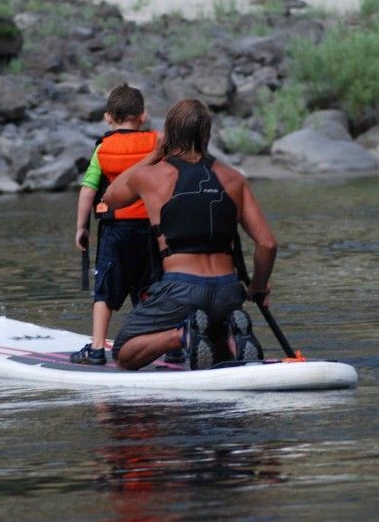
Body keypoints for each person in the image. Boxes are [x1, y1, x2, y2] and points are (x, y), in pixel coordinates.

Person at [101, 98, 278, 371]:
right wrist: (258, 286)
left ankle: (182, 335)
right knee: (218, 354)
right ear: (206, 133)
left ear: (168, 134)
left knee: (124, 353)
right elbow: (267, 244)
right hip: (227, 291)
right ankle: (231, 338)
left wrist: (152, 156)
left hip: (179, 290)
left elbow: (110, 199)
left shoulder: (152, 176)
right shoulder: (233, 178)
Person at [70, 84, 159, 365]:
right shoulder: (155, 146)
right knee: (151, 288)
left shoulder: (103, 149)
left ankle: (97, 348)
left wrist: (81, 228)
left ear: (108, 117)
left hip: (116, 230)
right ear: (142, 116)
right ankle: (166, 343)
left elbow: (87, 190)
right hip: (151, 230)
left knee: (105, 290)